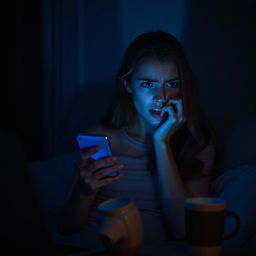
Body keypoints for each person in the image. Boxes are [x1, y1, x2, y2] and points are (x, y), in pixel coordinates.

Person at [57, 30, 218, 246]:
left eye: (171, 84)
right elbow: (67, 227)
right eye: (148, 84)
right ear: (128, 86)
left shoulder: (196, 143)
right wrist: (83, 192)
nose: (161, 97)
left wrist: (162, 144)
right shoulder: (100, 138)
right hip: (92, 246)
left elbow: (183, 229)